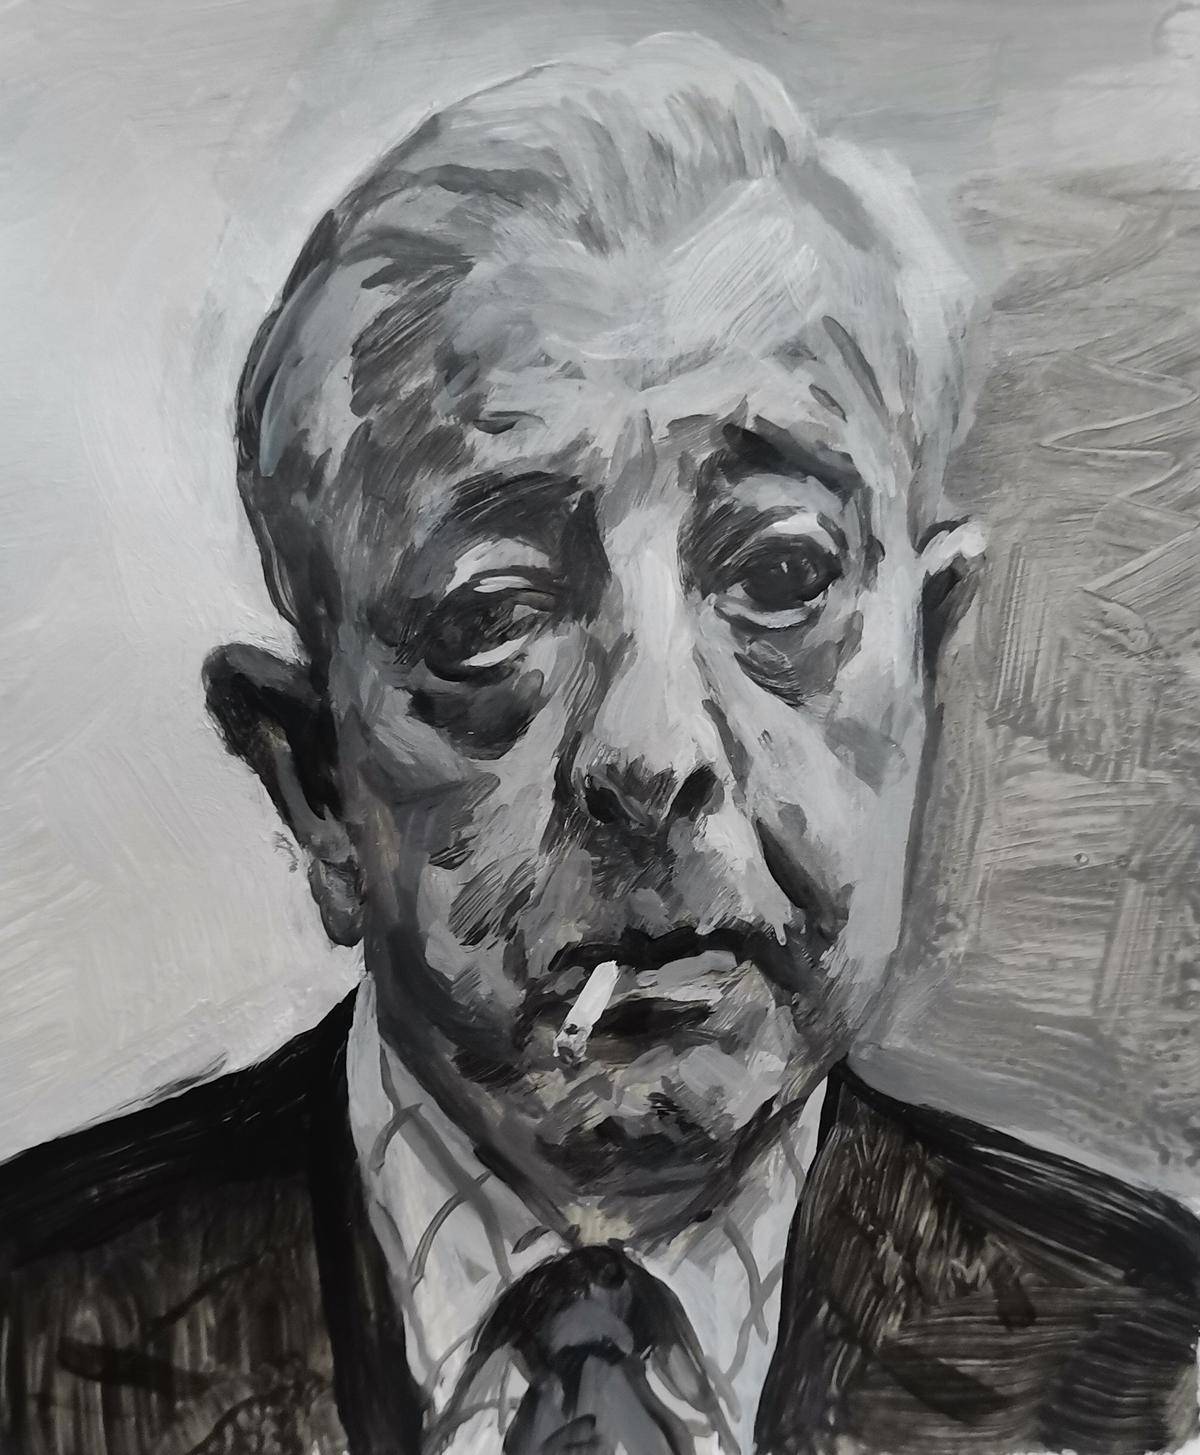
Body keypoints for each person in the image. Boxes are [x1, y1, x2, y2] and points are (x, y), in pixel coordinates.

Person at [3, 33, 1198, 1455]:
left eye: (780, 578)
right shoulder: (33, 1347)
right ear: (317, 783)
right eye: (491, 617)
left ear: (926, 665)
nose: (650, 749)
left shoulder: (1156, 1367)